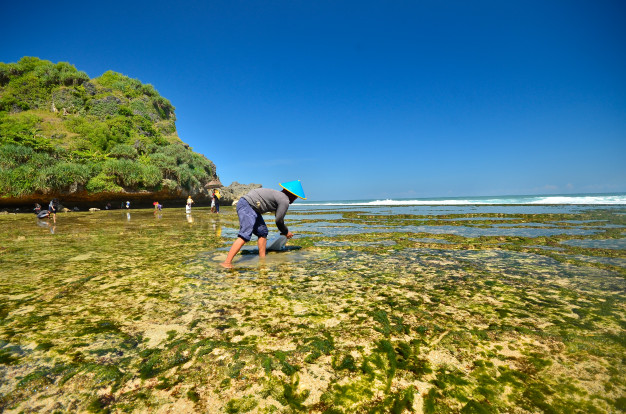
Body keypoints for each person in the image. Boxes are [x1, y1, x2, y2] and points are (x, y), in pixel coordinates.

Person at [221, 180, 305, 268]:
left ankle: (262, 259)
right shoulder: (284, 200)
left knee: (262, 232)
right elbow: (279, 220)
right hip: (248, 205)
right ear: (293, 196)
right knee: (245, 234)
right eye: (296, 197)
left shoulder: (279, 195)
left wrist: (284, 231)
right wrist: (286, 232)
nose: (295, 199)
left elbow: (278, 217)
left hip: (250, 206)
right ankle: (226, 262)